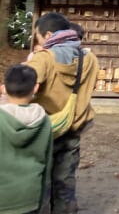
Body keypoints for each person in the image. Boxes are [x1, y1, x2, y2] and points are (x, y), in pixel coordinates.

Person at [26, 12, 99, 214]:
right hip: (73, 126)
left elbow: (27, 87)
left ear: (48, 35)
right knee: (65, 182)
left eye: (37, 36)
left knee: (41, 183)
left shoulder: (43, 58)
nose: (37, 40)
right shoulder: (89, 58)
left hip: (45, 128)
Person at [0, 64, 53, 214]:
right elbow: (48, 163)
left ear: (3, 88)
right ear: (36, 88)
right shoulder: (44, 120)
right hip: (30, 197)